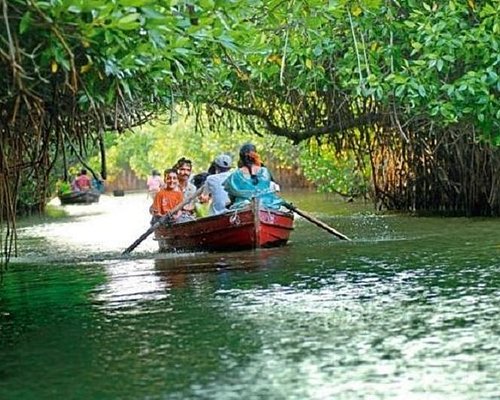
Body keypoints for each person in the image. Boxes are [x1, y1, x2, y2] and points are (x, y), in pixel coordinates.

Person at [223, 143, 283, 210]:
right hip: (266, 205)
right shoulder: (265, 171)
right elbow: (273, 191)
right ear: (256, 156)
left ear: (241, 158)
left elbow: (232, 196)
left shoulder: (236, 174)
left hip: (243, 206)